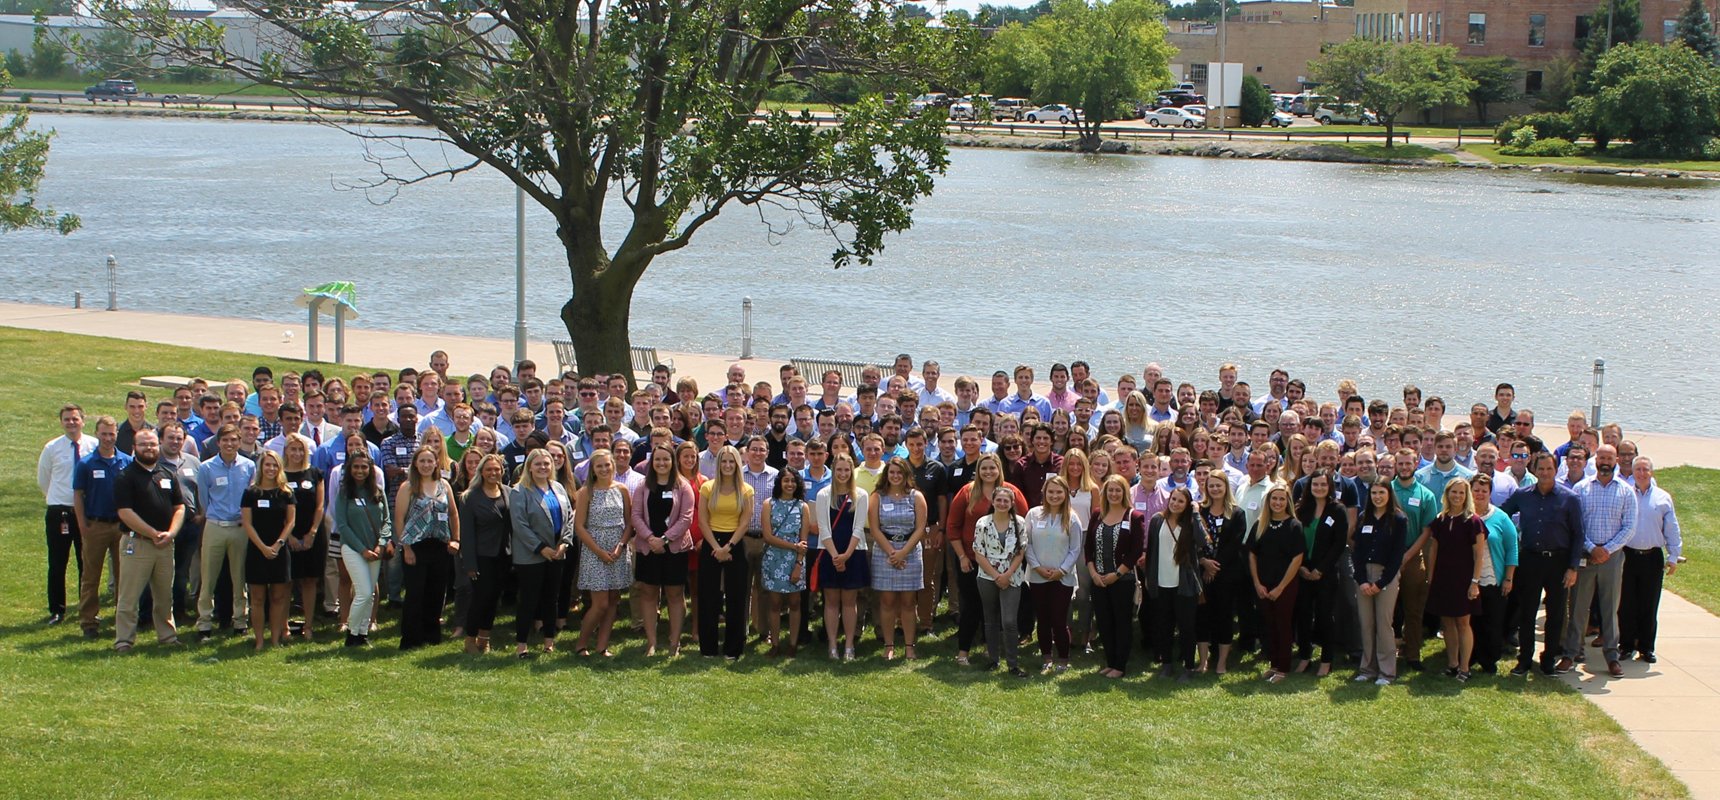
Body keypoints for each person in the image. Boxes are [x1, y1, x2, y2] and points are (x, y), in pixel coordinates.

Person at [1501, 451, 1583, 676]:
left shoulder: (1570, 498)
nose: (1545, 473)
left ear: (1556, 470)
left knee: (1555, 615)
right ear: (1534, 470)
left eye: (1549, 469)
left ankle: (1548, 661)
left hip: (1558, 562)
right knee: (1527, 613)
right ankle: (1524, 659)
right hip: (1530, 559)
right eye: (1541, 469)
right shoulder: (1523, 495)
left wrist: (1573, 567)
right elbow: (1501, 515)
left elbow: (1578, 535)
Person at [945, 452, 1025, 666]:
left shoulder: (1012, 492)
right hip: (972, 560)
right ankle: (963, 652)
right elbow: (952, 527)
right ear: (978, 470)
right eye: (984, 468)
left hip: (1007, 566)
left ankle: (998, 654)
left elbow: (1023, 523)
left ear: (999, 469)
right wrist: (962, 556)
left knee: (1003, 613)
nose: (988, 472)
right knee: (972, 607)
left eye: (993, 468)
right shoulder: (967, 492)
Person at [1564, 444, 1637, 678]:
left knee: (1610, 608)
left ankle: (1612, 656)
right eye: (1601, 457)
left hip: (1612, 558)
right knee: (1578, 607)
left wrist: (1607, 549)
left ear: (1616, 460)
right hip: (1586, 556)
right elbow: (1575, 525)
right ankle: (1571, 653)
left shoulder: (1626, 491)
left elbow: (1630, 526)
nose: (1605, 461)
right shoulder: (1581, 488)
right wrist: (1591, 548)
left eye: (1609, 457)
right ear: (1595, 460)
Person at [112, 429, 185, 652]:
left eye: (152, 444)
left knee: (164, 596)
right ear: (134, 448)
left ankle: (167, 637)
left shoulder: (167, 474)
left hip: (165, 544)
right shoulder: (126, 476)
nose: (149, 448)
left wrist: (171, 533)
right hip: (138, 543)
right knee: (129, 596)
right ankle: (124, 640)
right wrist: (153, 533)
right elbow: (125, 512)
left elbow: (179, 507)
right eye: (144, 445)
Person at [71, 415, 132, 639]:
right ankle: (89, 621)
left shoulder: (126, 461)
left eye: (112, 434)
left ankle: (121, 619)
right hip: (95, 525)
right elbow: (78, 494)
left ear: (117, 434)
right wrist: (82, 524)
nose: (108, 438)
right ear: (96, 434)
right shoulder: (86, 463)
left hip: (121, 527)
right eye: (104, 434)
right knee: (91, 576)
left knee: (123, 575)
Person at [631, 444, 695, 657]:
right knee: (649, 593)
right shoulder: (642, 486)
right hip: (648, 548)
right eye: (657, 460)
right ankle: (651, 642)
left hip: (674, 549)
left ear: (673, 461)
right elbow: (636, 515)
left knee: (675, 594)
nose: (661, 463)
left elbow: (686, 518)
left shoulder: (682, 486)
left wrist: (665, 540)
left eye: (666, 459)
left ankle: (674, 642)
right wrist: (650, 539)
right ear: (652, 462)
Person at [510, 449, 574, 657]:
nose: (543, 467)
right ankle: (522, 644)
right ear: (529, 466)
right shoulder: (520, 490)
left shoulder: (558, 488)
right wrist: (541, 548)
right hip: (531, 555)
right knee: (529, 599)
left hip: (557, 553)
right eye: (538, 464)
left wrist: (565, 542)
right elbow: (520, 525)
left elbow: (570, 517)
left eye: (546, 463)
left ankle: (549, 641)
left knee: (551, 598)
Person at [395, 446, 460, 650]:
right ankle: (411, 638)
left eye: (429, 461)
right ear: (415, 464)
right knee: (415, 593)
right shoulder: (408, 487)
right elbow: (399, 519)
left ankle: (431, 635)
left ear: (436, 463)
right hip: (415, 546)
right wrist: (406, 548)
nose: (426, 465)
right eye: (421, 461)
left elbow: (453, 514)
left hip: (439, 545)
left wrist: (455, 539)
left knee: (436, 592)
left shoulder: (444, 485)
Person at [1617, 456, 1679, 663]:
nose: (1641, 473)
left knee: (1649, 603)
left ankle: (1646, 647)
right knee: (1626, 603)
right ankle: (1626, 645)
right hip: (1628, 555)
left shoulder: (1662, 498)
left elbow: (1671, 528)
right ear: (1632, 472)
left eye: (1645, 469)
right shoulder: (1625, 493)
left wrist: (1673, 555)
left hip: (1652, 556)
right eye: (1638, 470)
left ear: (1651, 472)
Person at [1426, 478, 1488, 682]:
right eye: (1454, 492)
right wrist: (1430, 576)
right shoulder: (1441, 519)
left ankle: (1464, 668)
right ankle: (1452, 664)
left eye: (1461, 493)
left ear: (1466, 495)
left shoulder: (1473, 521)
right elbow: (1433, 549)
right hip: (1443, 578)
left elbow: (1479, 555)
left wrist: (1475, 582)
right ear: (1447, 494)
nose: (1457, 496)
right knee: (1447, 622)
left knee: (1463, 622)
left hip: (1464, 579)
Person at [574, 450, 634, 657]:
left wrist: (620, 546)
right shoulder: (585, 492)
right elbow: (580, 527)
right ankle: (581, 644)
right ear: (592, 469)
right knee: (600, 604)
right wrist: (599, 552)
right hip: (595, 551)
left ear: (613, 465)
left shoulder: (622, 490)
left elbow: (629, 523)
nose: (604, 469)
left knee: (613, 600)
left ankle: (602, 646)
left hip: (617, 550)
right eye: (599, 466)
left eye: (607, 465)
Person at [698, 445, 754, 661]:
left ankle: (733, 648)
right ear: (718, 464)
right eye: (724, 461)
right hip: (712, 542)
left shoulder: (746, 490)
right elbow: (703, 520)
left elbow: (745, 521)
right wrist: (716, 548)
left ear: (738, 464)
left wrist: (728, 547)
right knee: (708, 597)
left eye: (732, 462)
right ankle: (708, 648)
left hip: (735, 543)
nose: (728, 465)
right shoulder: (708, 488)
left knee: (736, 597)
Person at [868, 457, 927, 660]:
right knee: (887, 601)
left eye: (899, 473)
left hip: (910, 550)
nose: (895, 476)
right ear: (887, 475)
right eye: (892, 472)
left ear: (906, 475)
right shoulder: (877, 496)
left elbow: (920, 528)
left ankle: (910, 646)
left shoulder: (916, 496)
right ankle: (889, 645)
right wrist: (892, 552)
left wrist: (903, 553)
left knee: (909, 602)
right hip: (884, 551)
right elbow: (874, 529)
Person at [1084, 475, 1143, 678]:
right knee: (1104, 622)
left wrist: (1117, 574)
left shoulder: (1133, 517)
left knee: (1121, 622)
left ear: (1125, 492)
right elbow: (1088, 548)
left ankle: (1120, 665)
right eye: (1110, 490)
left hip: (1121, 581)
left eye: (1118, 490)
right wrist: (1093, 574)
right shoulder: (1097, 515)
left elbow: (1136, 551)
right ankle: (1110, 662)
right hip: (1098, 580)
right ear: (1105, 493)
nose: (1114, 494)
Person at [37, 404, 89, 626]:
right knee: (58, 563)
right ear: (61, 422)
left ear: (82, 421)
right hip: (60, 512)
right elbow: (43, 479)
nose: (71, 423)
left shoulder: (93, 445)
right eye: (67, 419)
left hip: (86, 512)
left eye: (75, 419)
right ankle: (57, 610)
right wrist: (58, 499)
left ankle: (85, 608)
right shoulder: (52, 448)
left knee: (85, 562)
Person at [1145, 486, 1204, 681]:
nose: (1175, 503)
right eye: (1173, 499)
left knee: (1187, 627)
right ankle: (1167, 664)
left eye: (1181, 501)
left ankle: (1188, 666)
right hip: (1161, 582)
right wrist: (1149, 578)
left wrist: (1195, 514)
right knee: (1164, 625)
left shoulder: (1190, 522)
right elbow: (1152, 550)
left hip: (1184, 584)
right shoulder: (1157, 520)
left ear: (1187, 504)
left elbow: (1203, 541)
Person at [1353, 480, 1408, 685]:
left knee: (1384, 624)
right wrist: (1362, 580)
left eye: (1381, 492)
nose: (1377, 497)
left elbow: (1396, 556)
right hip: (1364, 576)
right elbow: (1357, 552)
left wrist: (1381, 582)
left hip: (1387, 575)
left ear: (1389, 494)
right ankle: (1367, 668)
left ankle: (1386, 672)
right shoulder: (1363, 518)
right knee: (1366, 624)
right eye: (1374, 493)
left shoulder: (1399, 519)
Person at [1292, 472, 1347, 677]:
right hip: (1303, 570)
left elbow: (1339, 543)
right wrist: (1302, 567)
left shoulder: (1338, 510)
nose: (1319, 488)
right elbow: (1294, 539)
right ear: (1309, 486)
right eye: (1315, 484)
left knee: (1325, 616)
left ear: (1330, 486)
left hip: (1326, 572)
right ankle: (1305, 656)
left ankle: (1326, 659)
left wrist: (1320, 569)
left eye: (1323, 484)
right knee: (1303, 615)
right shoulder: (1300, 508)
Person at [1389, 448, 1438, 671]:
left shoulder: (1425, 495)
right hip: (1387, 557)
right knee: (1387, 609)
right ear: (1395, 465)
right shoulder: (1387, 490)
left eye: (1409, 463)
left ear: (1416, 463)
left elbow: (1427, 531)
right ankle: (1386, 651)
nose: (1405, 467)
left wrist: (1408, 556)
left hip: (1413, 555)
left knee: (1413, 608)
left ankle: (1413, 654)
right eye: (1401, 463)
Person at [335, 451, 391, 647]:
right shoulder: (344, 493)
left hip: (376, 549)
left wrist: (381, 544)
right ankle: (351, 632)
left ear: (370, 469)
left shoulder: (378, 491)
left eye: (364, 467)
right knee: (364, 592)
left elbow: (387, 521)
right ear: (350, 469)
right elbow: (342, 525)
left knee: (371, 594)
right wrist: (362, 550)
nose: (360, 471)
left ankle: (361, 633)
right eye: (356, 467)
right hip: (352, 548)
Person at [242, 449, 296, 651]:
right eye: (267, 464)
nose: (271, 468)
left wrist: (277, 544)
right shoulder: (251, 493)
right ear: (261, 467)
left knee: (278, 597)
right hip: (257, 550)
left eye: (275, 465)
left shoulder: (286, 492)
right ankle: (258, 641)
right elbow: (247, 523)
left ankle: (274, 639)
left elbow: (290, 522)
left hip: (279, 551)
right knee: (257, 598)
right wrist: (263, 547)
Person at [973, 484, 1030, 678]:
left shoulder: (1020, 523)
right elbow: (978, 553)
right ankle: (993, 660)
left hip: (1012, 577)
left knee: (1009, 621)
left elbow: (1021, 552)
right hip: (987, 576)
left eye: (1006, 500)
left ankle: (1013, 664)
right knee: (990, 620)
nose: (1002, 503)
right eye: (999, 500)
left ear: (1012, 503)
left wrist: (1006, 574)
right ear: (993, 501)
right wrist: (996, 575)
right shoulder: (982, 523)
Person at [459, 453, 512, 655]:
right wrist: (470, 564)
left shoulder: (508, 492)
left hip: (504, 555)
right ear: (481, 472)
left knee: (493, 598)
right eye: (489, 469)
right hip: (481, 556)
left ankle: (485, 638)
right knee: (480, 598)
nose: (493, 473)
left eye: (497, 469)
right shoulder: (469, 497)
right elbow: (467, 534)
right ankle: (470, 638)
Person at [1249, 486, 1303, 683]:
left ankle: (1283, 667)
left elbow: (1297, 558)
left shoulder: (1294, 525)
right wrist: (1257, 583)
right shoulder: (1260, 524)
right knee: (1269, 624)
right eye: (1274, 499)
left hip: (1285, 585)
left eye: (1281, 499)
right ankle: (1273, 664)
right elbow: (1252, 554)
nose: (1277, 503)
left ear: (1287, 501)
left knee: (1283, 624)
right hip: (1263, 584)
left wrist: (1281, 587)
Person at [1198, 473, 1248, 675]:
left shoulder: (1237, 513)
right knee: (1202, 616)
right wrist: (1204, 562)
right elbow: (1192, 539)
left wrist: (1215, 566)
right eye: (1211, 486)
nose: (1215, 489)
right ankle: (1203, 661)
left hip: (1227, 574)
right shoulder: (1199, 511)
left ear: (1226, 487)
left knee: (1224, 616)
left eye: (1219, 485)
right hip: (1202, 573)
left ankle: (1221, 662)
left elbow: (1235, 543)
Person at [760, 469, 812, 656]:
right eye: (785, 480)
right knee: (774, 602)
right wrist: (793, 546)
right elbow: (767, 536)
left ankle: (792, 643)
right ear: (779, 483)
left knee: (795, 602)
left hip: (795, 560)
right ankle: (774, 643)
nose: (789, 484)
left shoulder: (802, 506)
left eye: (793, 481)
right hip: (773, 558)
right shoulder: (769, 504)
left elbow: (804, 540)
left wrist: (799, 563)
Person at [1470, 472, 1517, 674]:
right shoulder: (1465, 516)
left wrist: (1508, 578)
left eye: (1484, 491)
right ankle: (1469, 656)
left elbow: (1512, 547)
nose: (1479, 494)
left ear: (1490, 493)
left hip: (1493, 579)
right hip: (1469, 579)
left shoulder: (1500, 517)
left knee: (1492, 621)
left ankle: (1489, 659)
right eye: (1476, 490)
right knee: (1471, 621)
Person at [279, 435, 325, 640]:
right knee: (286, 582)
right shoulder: (279, 475)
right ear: (286, 451)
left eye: (300, 449)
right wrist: (289, 538)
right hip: (285, 535)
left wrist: (312, 533)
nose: (297, 453)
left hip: (311, 535)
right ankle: (283, 627)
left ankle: (308, 625)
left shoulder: (315, 473)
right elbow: (278, 509)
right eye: (293, 449)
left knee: (309, 581)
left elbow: (320, 505)